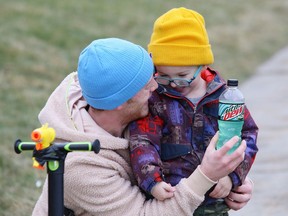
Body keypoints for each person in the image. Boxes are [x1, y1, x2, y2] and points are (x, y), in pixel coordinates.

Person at [32, 37, 249, 216]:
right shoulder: (81, 169)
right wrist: (206, 176)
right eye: (146, 86)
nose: (156, 87)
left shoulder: (116, 99)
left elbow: (190, 141)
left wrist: (233, 177)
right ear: (118, 103)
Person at [128, 7, 258, 215]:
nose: (173, 84)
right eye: (163, 76)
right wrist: (152, 181)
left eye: (182, 75)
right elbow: (143, 141)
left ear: (202, 64)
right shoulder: (156, 99)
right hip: (172, 199)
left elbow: (247, 136)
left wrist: (232, 176)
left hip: (214, 203)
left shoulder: (224, 98)